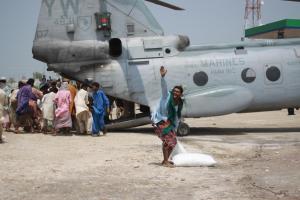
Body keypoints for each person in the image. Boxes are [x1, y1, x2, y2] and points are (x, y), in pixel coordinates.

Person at [151, 66, 184, 168]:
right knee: (167, 141)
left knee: (173, 142)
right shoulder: (167, 96)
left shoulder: (179, 103)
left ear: (181, 94)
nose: (175, 93)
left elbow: (176, 117)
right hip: (161, 121)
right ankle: (165, 161)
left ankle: (165, 160)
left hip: (170, 124)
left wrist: (175, 127)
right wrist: (163, 77)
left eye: (177, 92)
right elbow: (164, 87)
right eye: (174, 91)